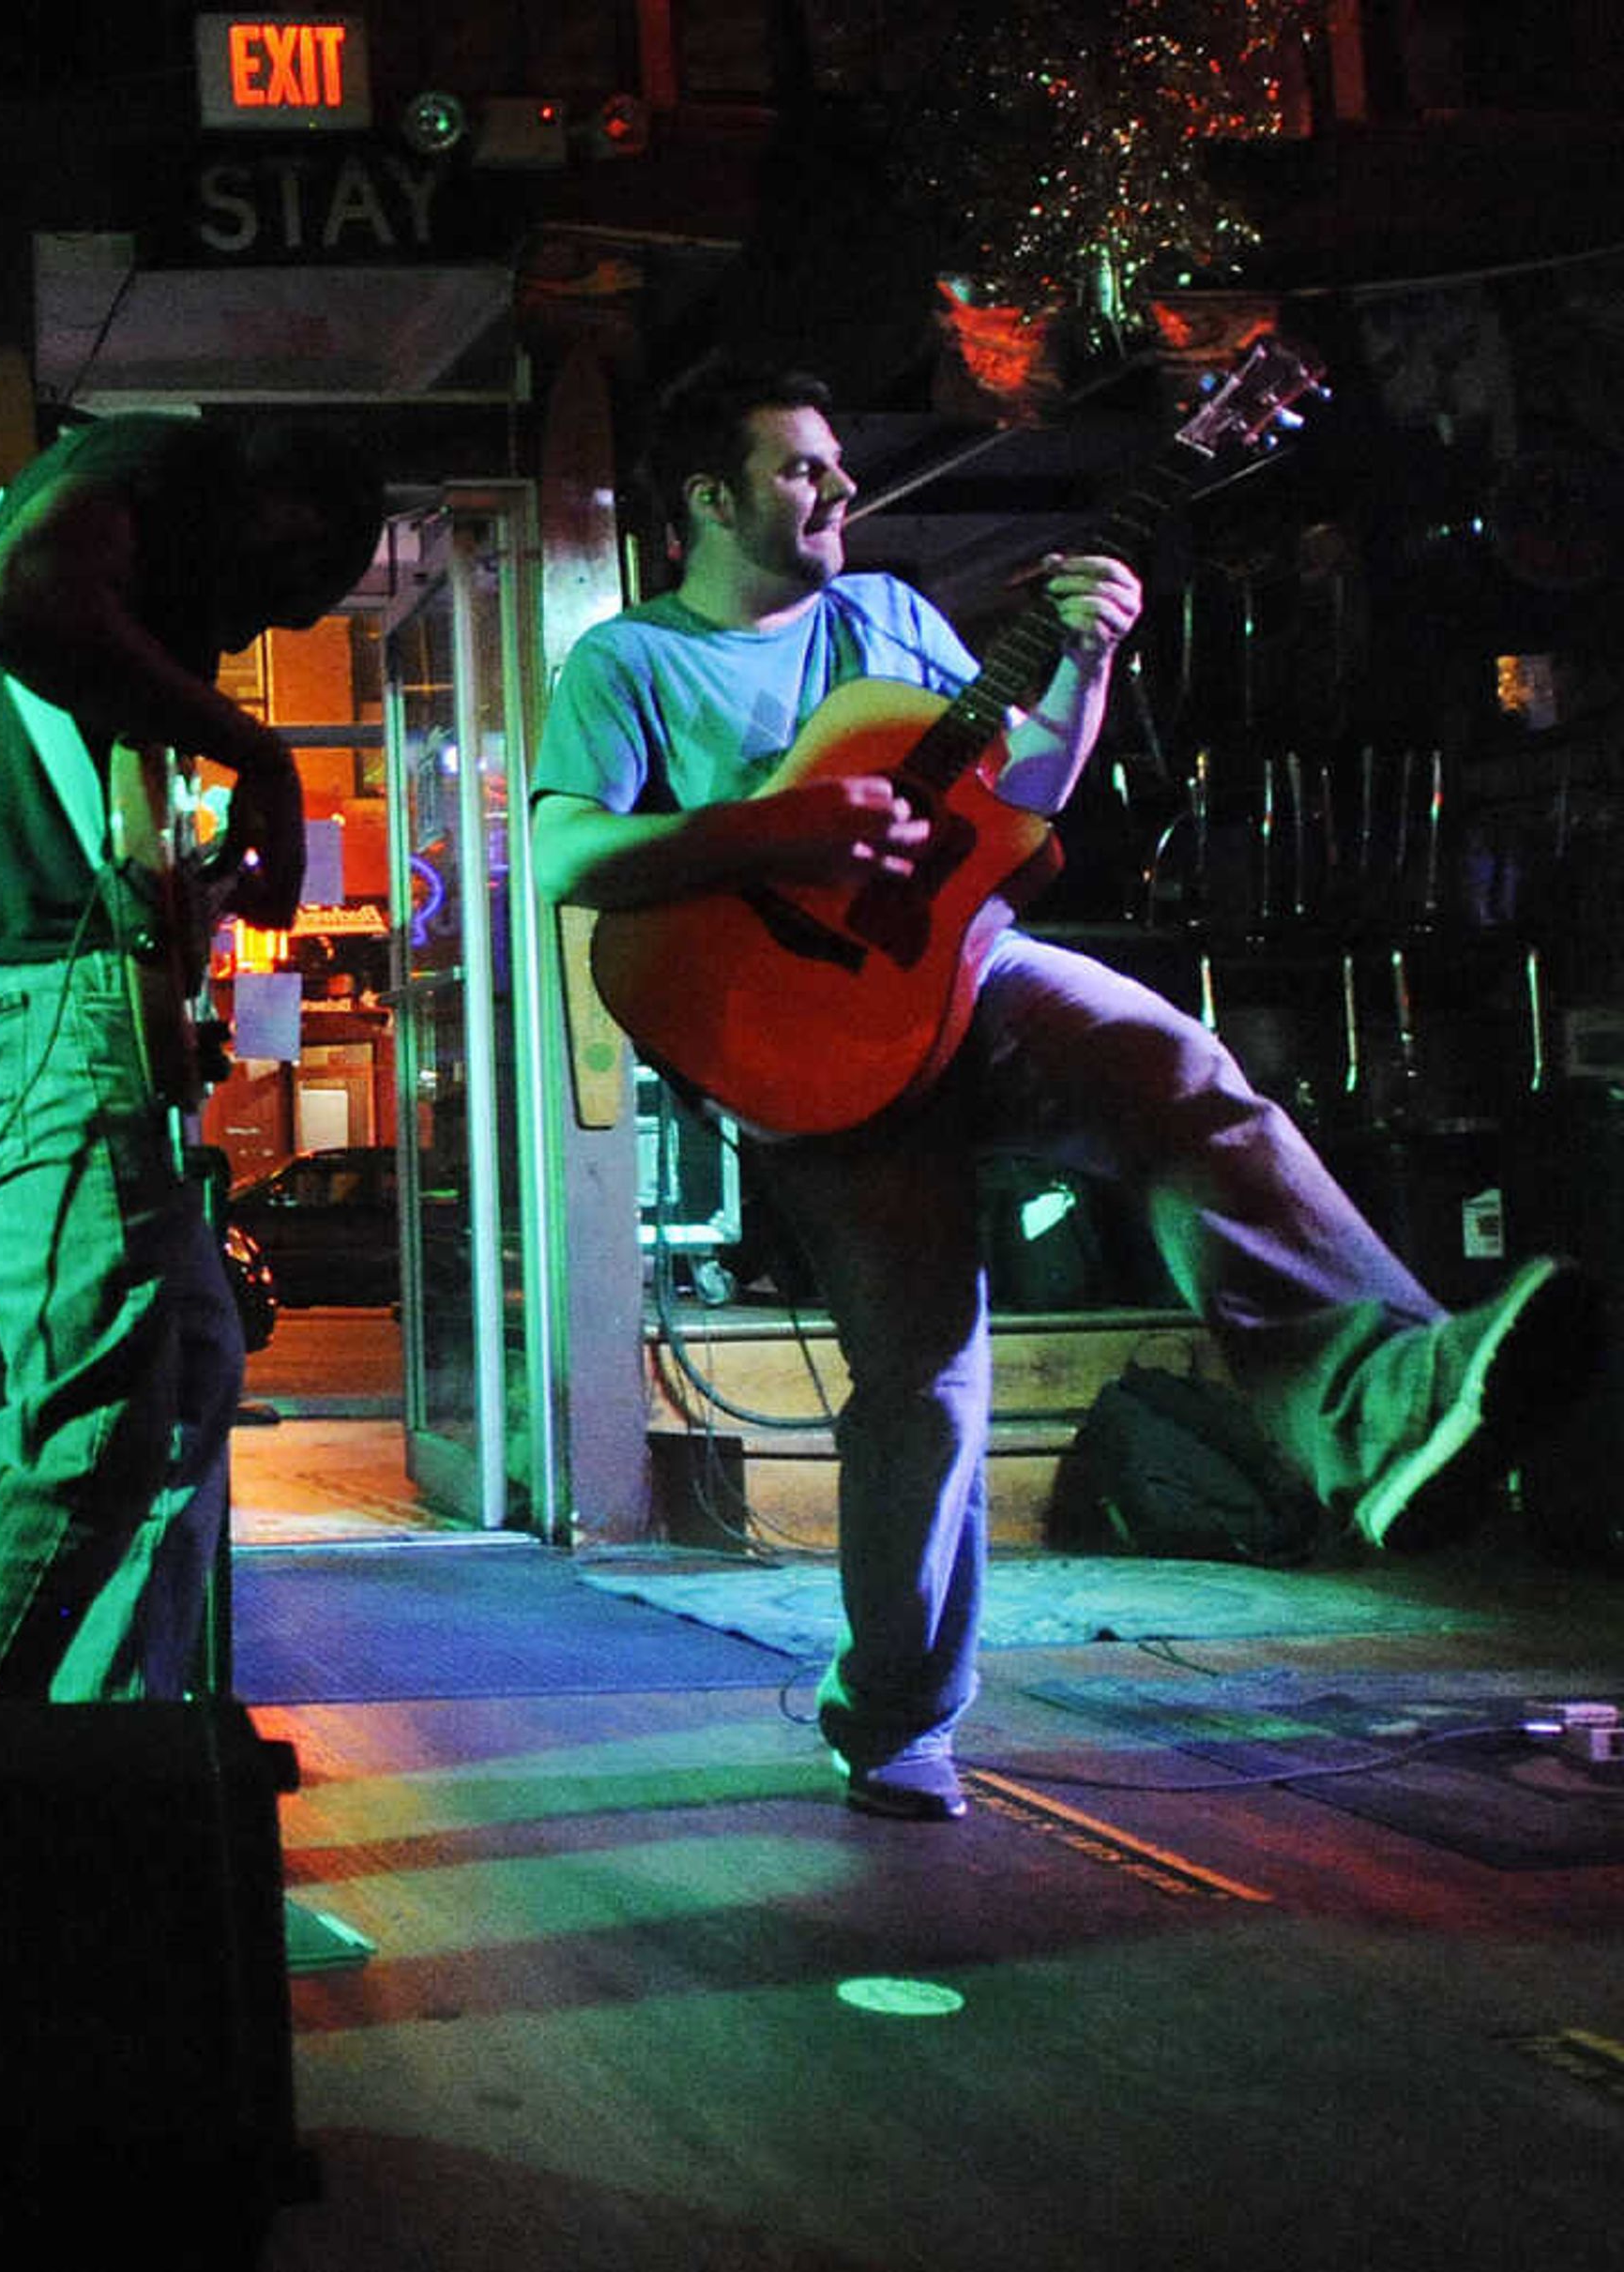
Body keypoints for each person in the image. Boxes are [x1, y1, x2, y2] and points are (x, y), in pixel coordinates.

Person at [532, 358, 1598, 1820]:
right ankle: (897, 1716)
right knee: (928, 1384)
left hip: (974, 976)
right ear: (710, 499)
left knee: (1182, 1070)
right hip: (810, 1052)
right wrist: (772, 829)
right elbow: (566, 855)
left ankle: (1383, 1403)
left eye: (839, 463)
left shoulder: (888, 618)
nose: (839, 488)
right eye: (800, 469)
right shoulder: (629, 661)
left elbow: (1018, 796)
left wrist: (1085, 667)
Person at [0, 413, 387, 1702]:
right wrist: (260, 753)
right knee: (90, 1422)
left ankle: (105, 1757)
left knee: (188, 1384)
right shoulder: (155, 467)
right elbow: (21, 599)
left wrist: (193, 894)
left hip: (45, 983)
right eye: (280, 595)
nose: (252, 637)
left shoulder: (129, 527)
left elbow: (92, 764)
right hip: (29, 993)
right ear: (279, 515)